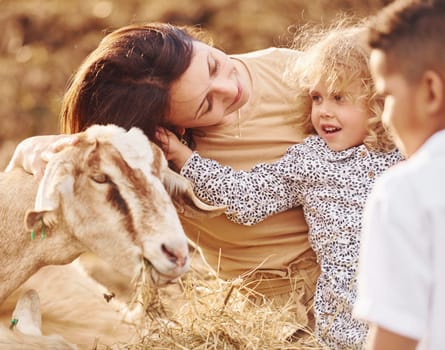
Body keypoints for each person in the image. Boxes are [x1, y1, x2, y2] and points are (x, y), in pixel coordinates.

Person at [7, 22, 319, 329]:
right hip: (286, 317)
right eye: (206, 105)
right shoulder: (162, 164)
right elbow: (81, 165)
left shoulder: (289, 69)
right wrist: (33, 147)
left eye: (212, 64)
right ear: (170, 131)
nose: (230, 88)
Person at [156, 23, 403, 348]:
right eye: (317, 97)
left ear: (378, 101)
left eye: (340, 98)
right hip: (350, 323)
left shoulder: (406, 151)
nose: (324, 111)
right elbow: (246, 197)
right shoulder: (310, 160)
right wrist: (185, 158)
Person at [353, 1, 445, 349]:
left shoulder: (405, 190)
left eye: (388, 96)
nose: (385, 117)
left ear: (431, 91)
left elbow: (394, 337)